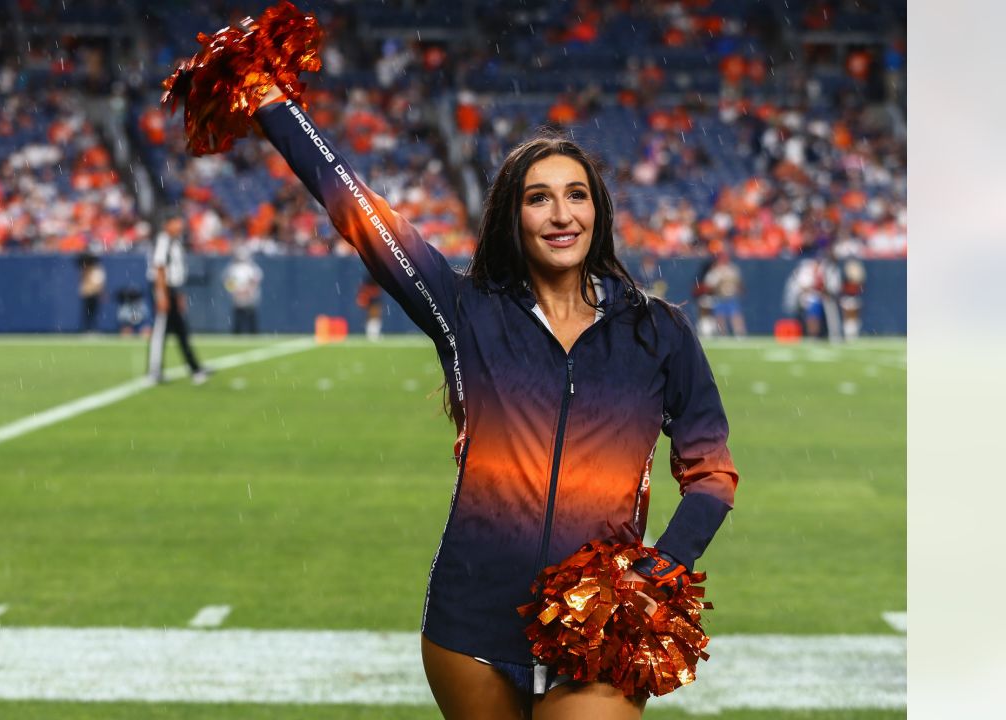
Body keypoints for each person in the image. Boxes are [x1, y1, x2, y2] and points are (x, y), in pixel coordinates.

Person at [249, 87, 737, 719]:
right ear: (515, 216)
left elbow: (712, 474)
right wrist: (270, 104)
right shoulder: (465, 312)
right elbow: (361, 215)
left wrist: (660, 567)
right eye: (539, 199)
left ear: (599, 212)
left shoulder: (658, 332)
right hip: (469, 621)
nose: (561, 215)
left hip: (598, 623)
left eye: (576, 195)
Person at [147, 215, 208, 385]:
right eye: (176, 221)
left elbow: (175, 273)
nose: (180, 225)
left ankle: (195, 367)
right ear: (167, 223)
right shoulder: (164, 240)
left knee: (181, 332)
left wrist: (179, 294)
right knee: (160, 332)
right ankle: (154, 371)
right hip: (164, 290)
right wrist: (162, 296)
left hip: (172, 290)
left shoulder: (175, 242)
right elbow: (159, 269)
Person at [702, 250, 746, 338]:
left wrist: (739, 290)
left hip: (731, 296)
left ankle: (740, 334)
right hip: (719, 296)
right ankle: (723, 334)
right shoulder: (715, 271)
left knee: (735, 315)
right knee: (720, 316)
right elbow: (709, 285)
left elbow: (738, 282)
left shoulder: (732, 269)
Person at [222, 247, 264, 334]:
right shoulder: (232, 268)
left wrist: (248, 290)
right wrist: (235, 291)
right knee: (238, 318)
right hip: (238, 296)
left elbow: (255, 281)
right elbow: (228, 282)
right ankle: (237, 334)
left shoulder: (251, 267)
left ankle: (254, 333)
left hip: (249, 296)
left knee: (251, 317)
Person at [78, 248, 106, 334]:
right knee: (87, 313)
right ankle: (86, 329)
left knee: (93, 312)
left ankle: (93, 329)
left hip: (94, 294)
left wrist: (101, 292)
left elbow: (99, 282)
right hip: (87, 294)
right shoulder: (85, 270)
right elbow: (83, 284)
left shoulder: (97, 269)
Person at [356, 274, 384, 341]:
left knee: (375, 315)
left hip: (373, 295)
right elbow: (367, 287)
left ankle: (373, 334)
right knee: (373, 314)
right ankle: (372, 334)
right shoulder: (371, 276)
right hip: (371, 296)